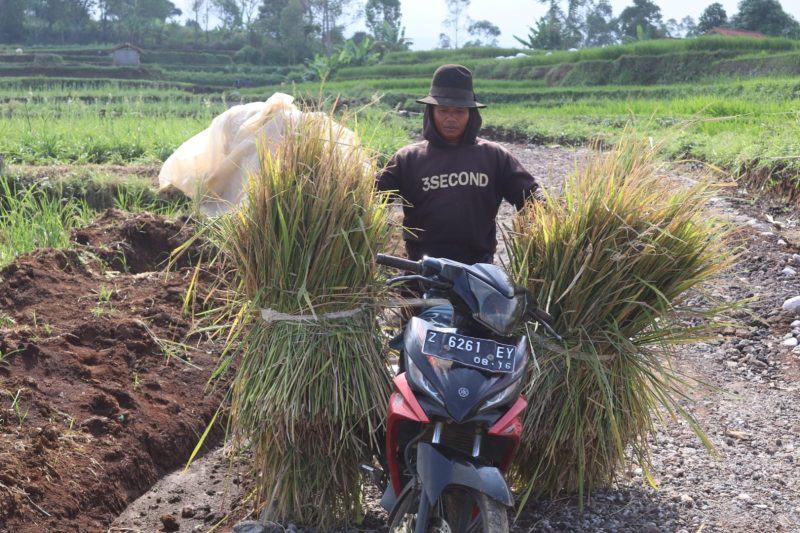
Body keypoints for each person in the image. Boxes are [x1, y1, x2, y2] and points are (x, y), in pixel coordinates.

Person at [377, 64, 544, 266]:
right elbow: (372, 200)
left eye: (459, 111)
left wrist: (555, 216)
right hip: (420, 271)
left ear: (471, 114)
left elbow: (531, 199)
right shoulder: (408, 159)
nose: (451, 118)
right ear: (431, 112)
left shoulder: (494, 156)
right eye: (443, 110)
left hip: (478, 271)